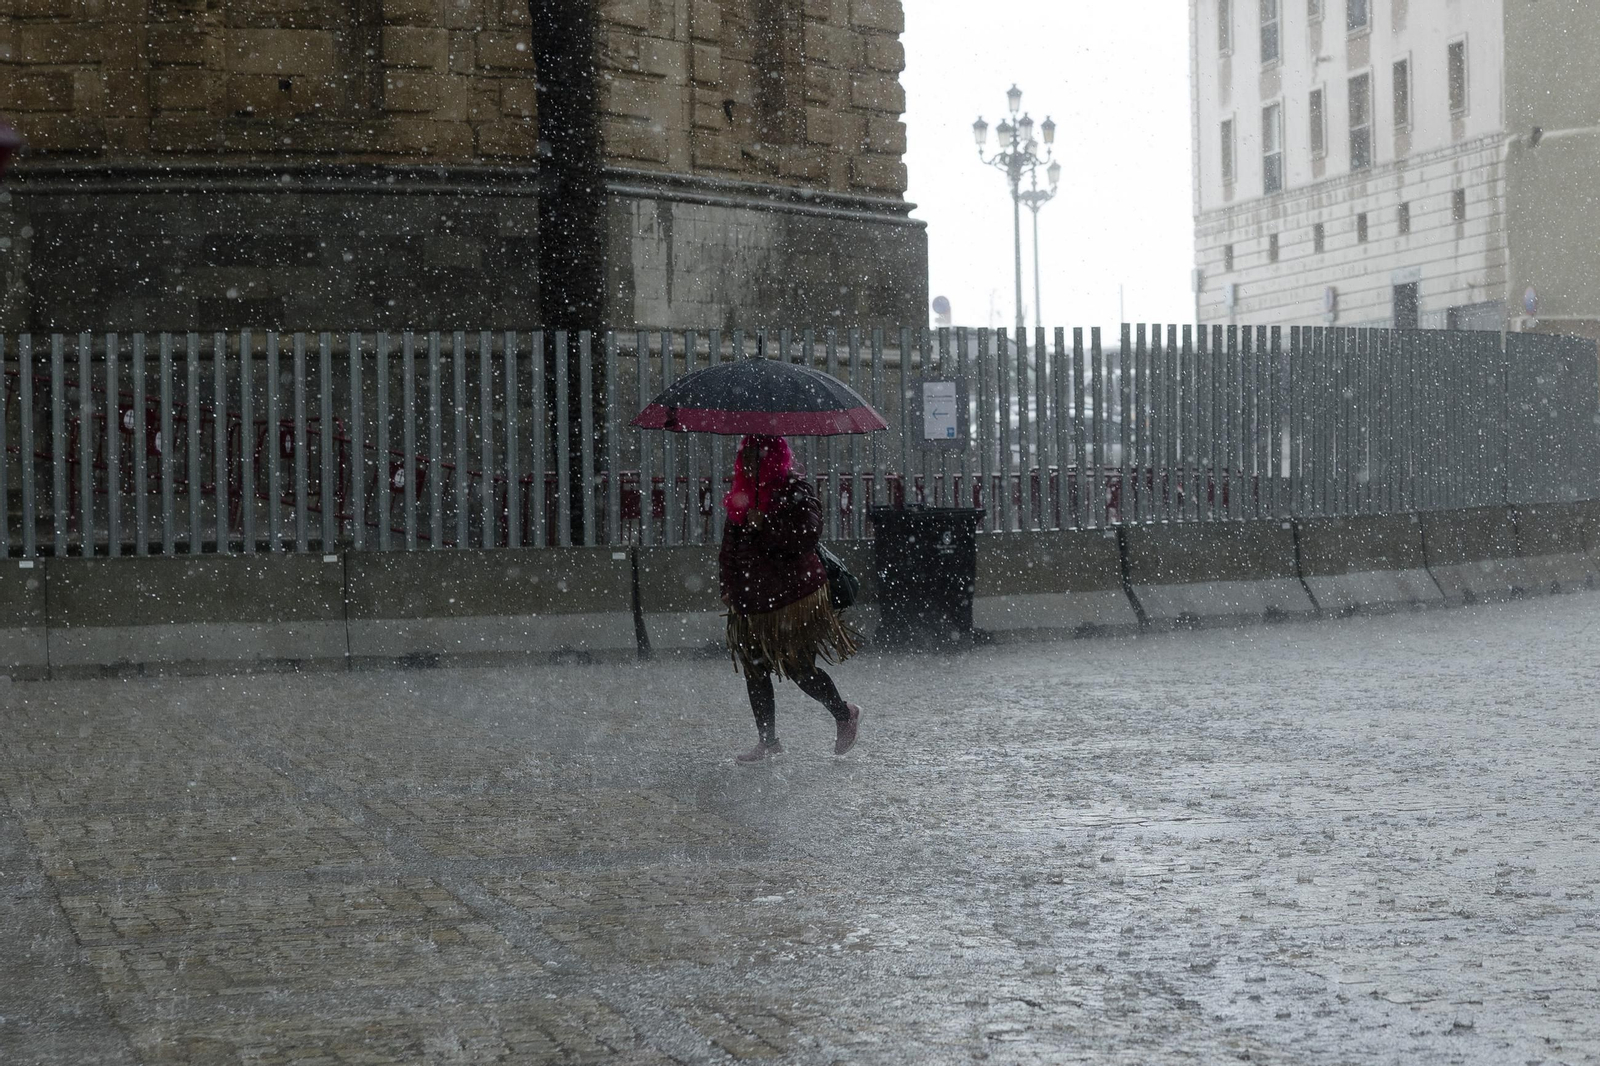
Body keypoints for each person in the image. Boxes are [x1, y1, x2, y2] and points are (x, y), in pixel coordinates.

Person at [719, 434, 861, 763]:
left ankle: (844, 714)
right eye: (747, 455)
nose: (751, 462)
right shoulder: (741, 494)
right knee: (755, 669)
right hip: (752, 600)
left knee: (800, 669)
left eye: (758, 455)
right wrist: (727, 585)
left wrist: (765, 524)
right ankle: (768, 741)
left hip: (793, 597)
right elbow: (729, 549)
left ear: (774, 457)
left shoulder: (795, 490)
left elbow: (807, 535)